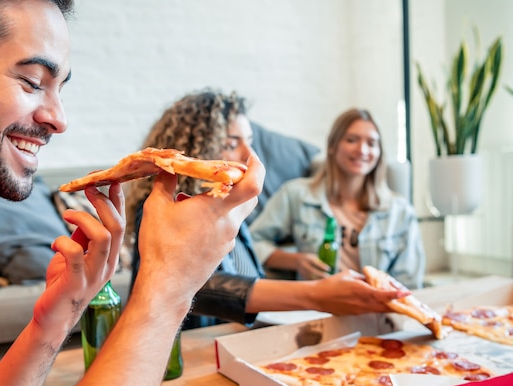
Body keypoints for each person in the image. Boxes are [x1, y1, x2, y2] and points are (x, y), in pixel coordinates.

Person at [0, 2, 264, 386]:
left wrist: (54, 322)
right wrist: (167, 286)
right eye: (32, 81)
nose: (58, 119)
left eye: (60, 88)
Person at [126, 90, 411, 329]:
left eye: (250, 143)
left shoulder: (231, 206)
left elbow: (250, 280)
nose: (249, 158)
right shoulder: (162, 210)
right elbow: (197, 287)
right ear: (193, 147)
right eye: (231, 144)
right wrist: (315, 294)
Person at [250, 108, 425, 289]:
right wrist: (295, 261)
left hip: (377, 311)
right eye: (351, 140)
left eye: (372, 143)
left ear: (379, 152)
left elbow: (409, 284)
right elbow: (251, 242)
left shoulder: (401, 211)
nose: (362, 150)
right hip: (317, 307)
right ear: (333, 146)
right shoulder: (296, 194)